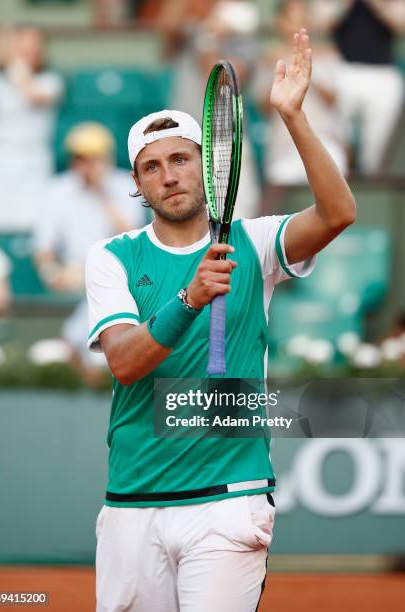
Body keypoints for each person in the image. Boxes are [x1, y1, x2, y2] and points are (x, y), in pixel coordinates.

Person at [85, 30, 356, 612]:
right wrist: (188, 298)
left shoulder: (255, 242)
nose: (169, 174)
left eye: (181, 158)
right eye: (151, 167)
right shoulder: (111, 256)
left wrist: (292, 115)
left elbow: (339, 212)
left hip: (229, 499)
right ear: (136, 184)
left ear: (207, 164)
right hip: (133, 500)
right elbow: (126, 364)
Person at [34, 122, 146, 379]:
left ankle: (77, 354)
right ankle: (84, 362)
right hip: (74, 273)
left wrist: (102, 193)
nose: (85, 165)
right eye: (80, 158)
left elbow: (133, 238)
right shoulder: (57, 189)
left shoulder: (124, 184)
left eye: (92, 158)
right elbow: (43, 249)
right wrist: (52, 274)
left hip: (121, 271)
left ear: (105, 159)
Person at [157, 0, 262, 218]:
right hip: (183, 139)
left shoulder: (240, 34)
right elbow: (166, 32)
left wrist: (209, 39)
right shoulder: (190, 30)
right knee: (180, 220)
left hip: (224, 142)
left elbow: (217, 79)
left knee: (233, 221)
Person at [255, 0, 348, 188]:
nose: (297, 26)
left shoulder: (328, 56)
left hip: (325, 143)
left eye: (302, 20)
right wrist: (285, 66)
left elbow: (334, 99)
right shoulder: (269, 60)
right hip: (283, 150)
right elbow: (263, 106)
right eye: (291, 19)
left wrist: (306, 68)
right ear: (279, 23)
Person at [0, 26, 63, 232]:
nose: (28, 52)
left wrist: (11, 63)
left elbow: (32, 96)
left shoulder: (51, 80)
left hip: (33, 159)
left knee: (34, 223)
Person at [310, 0, 405, 173]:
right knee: (335, 138)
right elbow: (320, 24)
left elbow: (400, 24)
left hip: (383, 74)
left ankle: (372, 182)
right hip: (342, 69)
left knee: (376, 147)